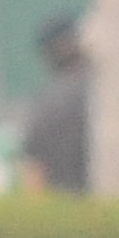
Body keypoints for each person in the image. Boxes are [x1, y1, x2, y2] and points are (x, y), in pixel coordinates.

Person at [19, 13, 93, 195]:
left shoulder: (45, 101)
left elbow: (34, 169)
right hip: (105, 206)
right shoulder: (102, 93)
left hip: (59, 205)